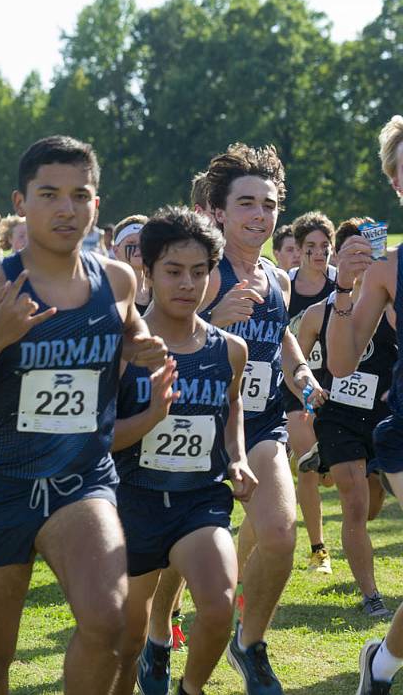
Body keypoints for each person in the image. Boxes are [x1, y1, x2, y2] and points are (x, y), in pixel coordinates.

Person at [0, 135, 167, 695]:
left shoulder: (117, 280)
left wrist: (140, 342)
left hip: (80, 480)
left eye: (80, 195)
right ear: (21, 202)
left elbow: (128, 325)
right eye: (50, 194)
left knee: (108, 623)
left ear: (97, 205)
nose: (66, 208)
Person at [111, 206, 257, 695]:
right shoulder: (124, 348)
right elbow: (98, 438)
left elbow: (232, 406)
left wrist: (236, 456)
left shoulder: (229, 349)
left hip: (199, 500)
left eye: (199, 272)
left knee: (218, 604)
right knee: (126, 640)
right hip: (132, 500)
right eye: (173, 271)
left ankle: (190, 689)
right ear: (147, 271)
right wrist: (151, 416)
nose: (187, 284)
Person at [198, 143, 323, 694]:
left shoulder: (278, 277)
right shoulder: (201, 271)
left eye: (269, 205)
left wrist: (303, 376)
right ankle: (155, 640)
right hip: (196, 426)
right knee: (177, 556)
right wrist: (211, 317)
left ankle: (249, 644)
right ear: (219, 211)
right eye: (246, 203)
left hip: (262, 425)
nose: (260, 215)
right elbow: (160, 337)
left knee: (279, 533)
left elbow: (283, 338)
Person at [326, 115, 403, 694]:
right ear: (397, 186)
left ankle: (381, 666)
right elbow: (344, 363)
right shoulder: (387, 270)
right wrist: (346, 292)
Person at [295, 217, 392, 619]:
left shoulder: (391, 305)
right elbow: (295, 358)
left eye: (365, 251)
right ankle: (372, 596)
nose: (359, 259)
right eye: (350, 252)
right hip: (338, 418)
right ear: (338, 257)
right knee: (353, 504)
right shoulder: (320, 313)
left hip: (386, 415)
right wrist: (305, 393)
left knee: (371, 507)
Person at [283, 212, 337, 575]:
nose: (319, 254)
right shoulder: (284, 287)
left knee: (333, 475)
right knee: (310, 463)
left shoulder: (342, 285)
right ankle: (319, 550)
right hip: (293, 386)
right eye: (311, 248)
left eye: (325, 247)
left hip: (336, 386)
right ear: (298, 251)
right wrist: (304, 391)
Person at [112, 215, 150, 312]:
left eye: (144, 242)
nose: (139, 247)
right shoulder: (109, 293)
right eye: (131, 243)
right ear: (116, 251)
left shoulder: (160, 291)